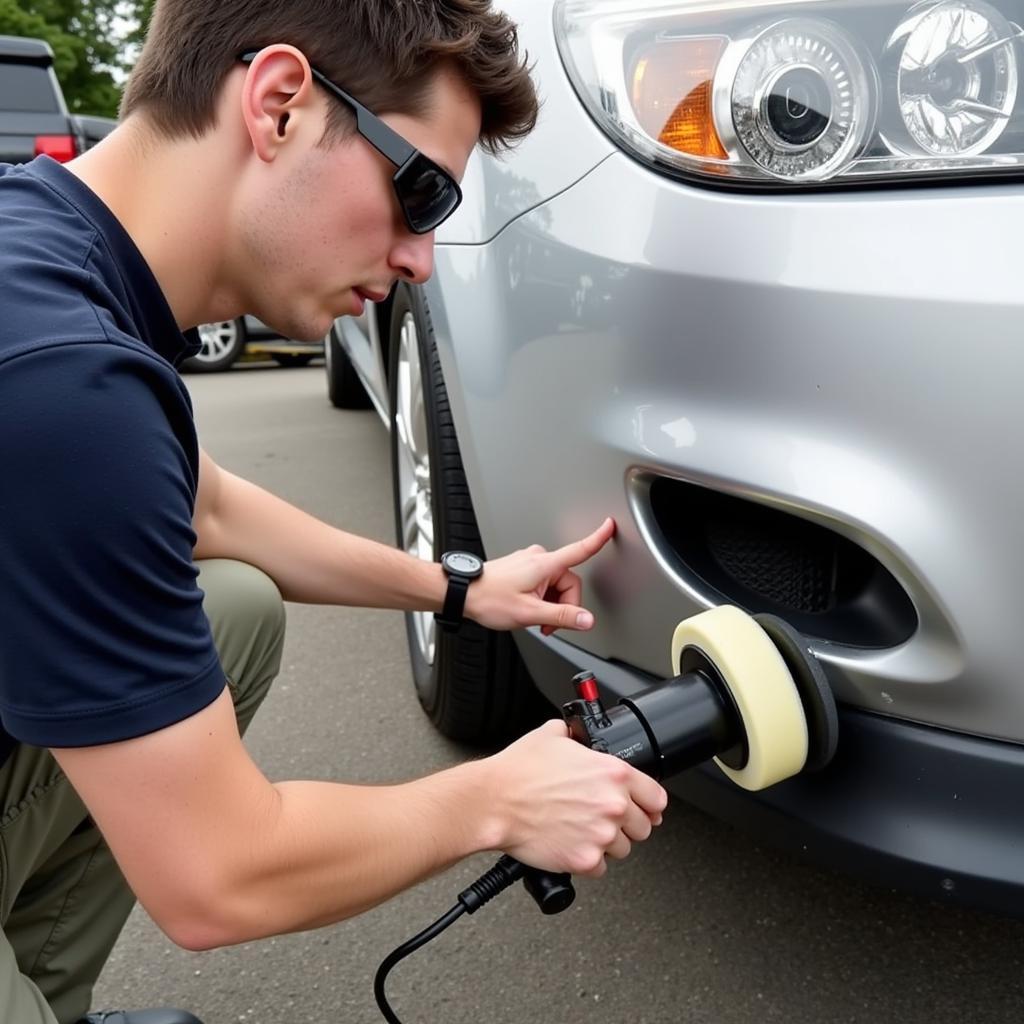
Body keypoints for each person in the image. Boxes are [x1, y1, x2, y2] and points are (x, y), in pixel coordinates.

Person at [0, 2, 669, 1022]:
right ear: (278, 105)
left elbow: (207, 509)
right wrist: (496, 797)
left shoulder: (49, 248)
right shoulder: (63, 385)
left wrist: (460, 590)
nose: (421, 260)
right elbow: (217, 876)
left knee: (235, 609)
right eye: (423, 193)